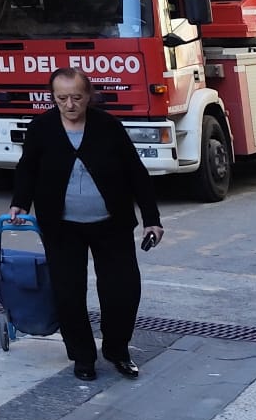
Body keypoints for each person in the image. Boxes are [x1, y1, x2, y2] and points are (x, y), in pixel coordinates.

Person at [9, 66, 164, 381]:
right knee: (68, 292)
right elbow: (28, 169)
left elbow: (136, 172)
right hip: (62, 226)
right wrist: (20, 203)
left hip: (111, 223)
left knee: (122, 290)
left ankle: (117, 351)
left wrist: (152, 219)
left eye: (76, 97)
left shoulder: (108, 126)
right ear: (52, 98)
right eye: (62, 98)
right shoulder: (41, 128)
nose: (69, 105)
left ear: (88, 96)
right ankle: (83, 357)